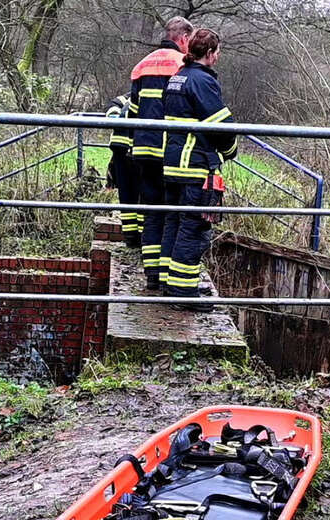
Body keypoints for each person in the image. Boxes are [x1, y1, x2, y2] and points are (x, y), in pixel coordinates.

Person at [161, 28, 237, 311]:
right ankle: (182, 292)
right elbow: (223, 125)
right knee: (195, 228)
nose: (218, 57)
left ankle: (173, 283)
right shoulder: (202, 81)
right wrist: (230, 151)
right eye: (217, 52)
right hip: (194, 165)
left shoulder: (177, 78)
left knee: (174, 223)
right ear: (209, 53)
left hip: (172, 164)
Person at [128, 16, 193, 290]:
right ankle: (167, 273)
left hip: (142, 148)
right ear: (184, 39)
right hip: (167, 150)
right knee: (170, 212)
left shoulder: (142, 65)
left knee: (151, 210)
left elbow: (132, 110)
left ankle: (152, 273)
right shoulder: (181, 65)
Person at [105, 94, 141, 248]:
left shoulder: (126, 101)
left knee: (131, 197)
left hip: (129, 154)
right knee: (132, 197)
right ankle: (134, 238)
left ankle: (134, 238)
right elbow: (111, 115)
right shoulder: (123, 100)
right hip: (127, 154)